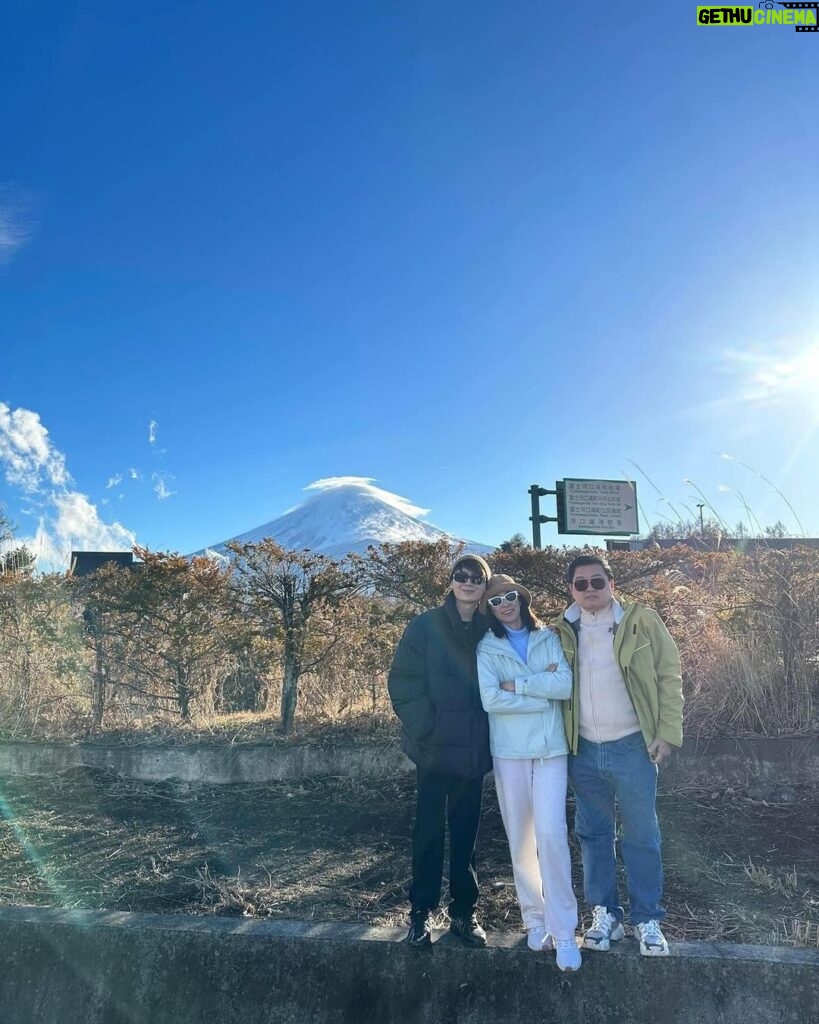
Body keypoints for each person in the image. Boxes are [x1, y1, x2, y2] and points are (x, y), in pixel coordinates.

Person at [552, 554, 683, 957]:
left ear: (611, 583)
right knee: (593, 835)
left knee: (642, 834)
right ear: (571, 589)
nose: (590, 590)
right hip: (584, 749)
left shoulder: (642, 621)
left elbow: (669, 673)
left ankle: (647, 919)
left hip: (633, 745)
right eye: (581, 584)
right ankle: (605, 913)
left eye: (597, 581)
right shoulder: (561, 630)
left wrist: (667, 732)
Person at [477, 574, 582, 972]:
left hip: (550, 751)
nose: (505, 603)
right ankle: (534, 919)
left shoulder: (548, 637)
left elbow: (565, 684)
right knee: (521, 839)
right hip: (509, 753)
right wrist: (541, 696)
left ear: (522, 598)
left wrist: (518, 687)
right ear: (489, 609)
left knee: (552, 835)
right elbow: (490, 699)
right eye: (496, 600)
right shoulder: (487, 647)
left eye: (511, 596)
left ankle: (565, 929)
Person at [388, 553, 493, 949]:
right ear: (450, 582)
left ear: (485, 586)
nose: (467, 581)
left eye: (476, 577)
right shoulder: (425, 625)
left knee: (467, 835)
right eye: (460, 575)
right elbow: (402, 680)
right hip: (432, 751)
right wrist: (426, 727)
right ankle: (420, 914)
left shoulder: (490, 628)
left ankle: (464, 914)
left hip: (472, 752)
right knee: (428, 833)